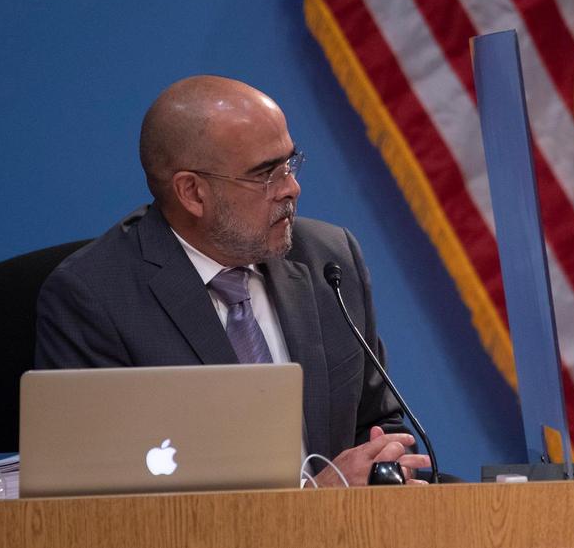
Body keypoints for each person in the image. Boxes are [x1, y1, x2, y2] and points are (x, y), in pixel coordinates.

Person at [35, 75, 429, 486]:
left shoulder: (328, 260)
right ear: (192, 192)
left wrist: (385, 467)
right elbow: (98, 496)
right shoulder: (95, 297)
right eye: (265, 174)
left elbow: (377, 422)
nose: (291, 188)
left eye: (290, 164)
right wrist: (313, 502)